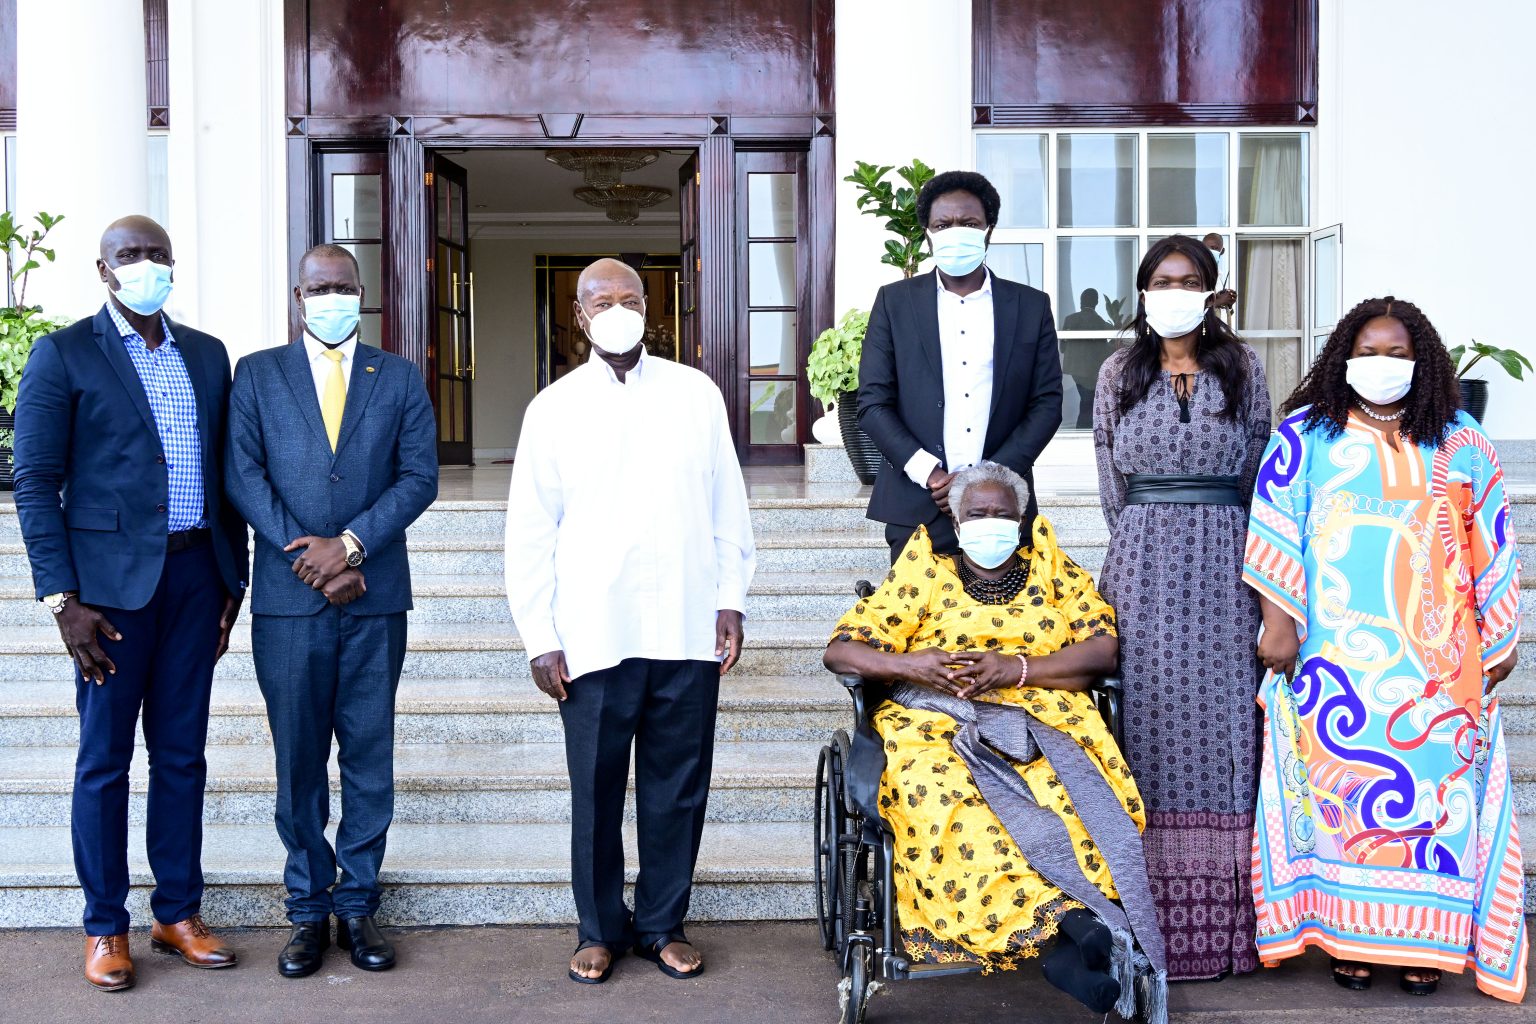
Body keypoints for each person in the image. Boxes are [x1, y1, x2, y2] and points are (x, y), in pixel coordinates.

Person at [1245, 297, 1525, 1002]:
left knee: (1435, 799)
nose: (1381, 365)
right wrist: (1279, 623)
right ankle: (1348, 936)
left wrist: (1500, 633)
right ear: (1343, 356)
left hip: (1439, 663)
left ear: (1423, 359)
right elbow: (1277, 524)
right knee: (1347, 800)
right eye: (1368, 352)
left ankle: (1424, 945)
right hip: (1333, 660)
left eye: (1397, 353)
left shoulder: (1462, 440)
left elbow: (1492, 540)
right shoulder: (1304, 436)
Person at [824, 461, 1169, 1022]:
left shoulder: (1053, 571)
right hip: (938, 723)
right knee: (954, 803)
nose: (990, 523)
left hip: (1045, 718)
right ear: (957, 523)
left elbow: (1102, 651)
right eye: (977, 513)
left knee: (1072, 799)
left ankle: (1069, 939)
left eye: (1002, 514)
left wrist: (1019, 668)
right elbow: (840, 650)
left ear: (1021, 519)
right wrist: (913, 665)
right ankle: (1070, 932)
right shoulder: (926, 574)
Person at [11, 215, 248, 991]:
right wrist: (61, 598)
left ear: (173, 266)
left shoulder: (208, 356)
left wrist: (232, 581)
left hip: (193, 582)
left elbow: (228, 477)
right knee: (105, 762)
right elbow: (36, 481)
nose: (145, 265)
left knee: (182, 757)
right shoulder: (65, 353)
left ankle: (177, 911)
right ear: (104, 269)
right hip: (108, 598)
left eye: (157, 255)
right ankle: (105, 925)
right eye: (130, 255)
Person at [505, 258, 756, 986]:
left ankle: (662, 924)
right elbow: (530, 531)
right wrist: (540, 638)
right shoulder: (552, 409)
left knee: (678, 785)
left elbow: (726, 506)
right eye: (599, 301)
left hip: (684, 625)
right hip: (593, 633)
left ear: (651, 309)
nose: (616, 309)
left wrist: (730, 597)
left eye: (629, 298)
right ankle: (598, 928)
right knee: (596, 788)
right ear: (579, 318)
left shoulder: (696, 395)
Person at [224, 244, 438, 978]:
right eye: (319, 287)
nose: (331, 297)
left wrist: (349, 546)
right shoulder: (256, 374)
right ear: (297, 295)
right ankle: (309, 911)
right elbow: (243, 475)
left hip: (376, 598)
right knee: (299, 760)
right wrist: (305, 555)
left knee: (370, 757)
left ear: (362, 293)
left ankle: (358, 903)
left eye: (343, 287)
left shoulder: (399, 376)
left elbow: (419, 478)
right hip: (289, 603)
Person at [1091, 235, 1273, 980]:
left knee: (1231, 728)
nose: (1175, 290)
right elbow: (1110, 478)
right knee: (1146, 724)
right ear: (1142, 292)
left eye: (1189, 279)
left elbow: (1262, 468)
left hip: (1230, 569)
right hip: (1141, 571)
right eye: (1162, 280)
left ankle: (1229, 933)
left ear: (1210, 291)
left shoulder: (1245, 368)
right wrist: (1144, 542)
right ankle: (1146, 926)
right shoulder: (1117, 373)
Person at [858, 170, 1064, 562]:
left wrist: (989, 480)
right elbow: (872, 402)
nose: (956, 231)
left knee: (1004, 621)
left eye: (969, 223)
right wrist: (930, 474)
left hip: (1003, 508)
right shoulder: (895, 302)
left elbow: (1047, 403)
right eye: (943, 224)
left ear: (988, 230)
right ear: (928, 232)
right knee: (919, 623)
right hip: (918, 504)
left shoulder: (1029, 306)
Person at [1202, 233, 1237, 316]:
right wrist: (1218, 302)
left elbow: (1219, 313)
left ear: (1222, 251)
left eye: (1215, 248)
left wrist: (1228, 303)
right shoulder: (1196, 273)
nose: (1210, 252)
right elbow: (1190, 308)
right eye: (1206, 249)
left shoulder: (1218, 274)